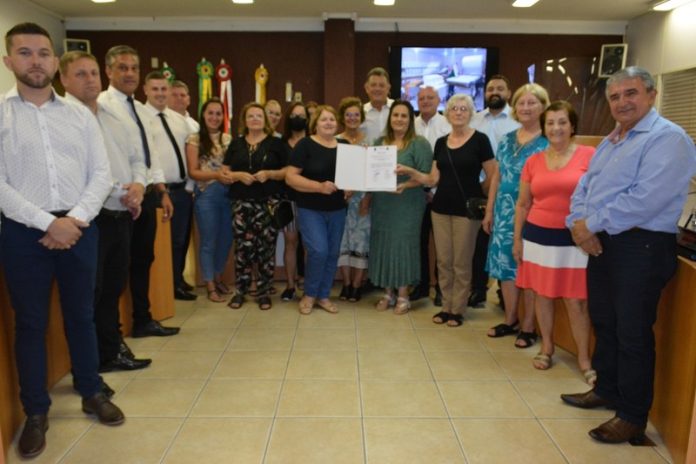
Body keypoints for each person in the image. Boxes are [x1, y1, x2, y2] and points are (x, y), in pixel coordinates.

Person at [0, 23, 124, 459]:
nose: (35, 61)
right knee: (31, 324)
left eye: (43, 53)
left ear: (55, 61)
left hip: (79, 228)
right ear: (8, 61)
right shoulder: (1, 115)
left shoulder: (78, 115)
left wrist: (73, 220)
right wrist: (45, 223)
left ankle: (91, 391)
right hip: (22, 233)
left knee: (81, 315)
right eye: (25, 52)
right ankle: (36, 411)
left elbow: (101, 174)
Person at [561, 67, 696, 444]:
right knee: (605, 321)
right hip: (603, 242)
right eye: (615, 97)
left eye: (631, 93)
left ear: (651, 95)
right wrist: (577, 224)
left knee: (632, 332)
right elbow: (585, 186)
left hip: (642, 246)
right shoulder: (612, 140)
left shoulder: (669, 139)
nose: (622, 102)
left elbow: (645, 199)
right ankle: (607, 389)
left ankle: (633, 416)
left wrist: (589, 225)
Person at [59, 50, 152, 378]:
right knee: (91, 292)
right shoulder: (63, 118)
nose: (90, 80)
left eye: (93, 73)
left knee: (113, 286)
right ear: (64, 79)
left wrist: (138, 186)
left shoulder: (114, 115)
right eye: (80, 74)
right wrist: (120, 191)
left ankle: (110, 351)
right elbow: (82, 172)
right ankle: (90, 363)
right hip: (89, 217)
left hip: (121, 213)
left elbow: (137, 158)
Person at [98, 45, 179, 339]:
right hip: (117, 199)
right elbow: (106, 157)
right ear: (108, 71)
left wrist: (161, 191)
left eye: (134, 68)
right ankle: (112, 336)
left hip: (146, 194)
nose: (129, 73)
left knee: (144, 259)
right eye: (122, 67)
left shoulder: (142, 111)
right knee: (116, 269)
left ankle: (143, 319)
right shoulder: (103, 106)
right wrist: (125, 189)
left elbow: (149, 155)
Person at [512, 101, 595, 380]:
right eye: (550, 123)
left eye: (562, 122)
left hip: (574, 240)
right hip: (537, 237)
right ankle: (546, 347)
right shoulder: (533, 161)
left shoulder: (589, 155)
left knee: (576, 301)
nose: (556, 128)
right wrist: (517, 240)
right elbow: (523, 204)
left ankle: (584, 359)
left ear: (572, 126)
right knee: (542, 295)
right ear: (544, 127)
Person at [399, 94, 495, 326]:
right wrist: (410, 173)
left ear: (470, 114)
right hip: (440, 208)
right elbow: (433, 178)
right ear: (448, 113)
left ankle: (457, 309)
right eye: (454, 108)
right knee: (443, 261)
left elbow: (493, 176)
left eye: (464, 109)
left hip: (466, 212)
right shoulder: (441, 143)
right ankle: (445, 306)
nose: (459, 112)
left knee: (461, 262)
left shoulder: (480, 140)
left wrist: (480, 197)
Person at [483, 83, 549, 348]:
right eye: (521, 102)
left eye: (532, 103)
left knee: (527, 269)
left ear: (543, 106)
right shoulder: (507, 139)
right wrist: (489, 210)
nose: (526, 107)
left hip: (532, 213)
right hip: (503, 213)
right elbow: (497, 177)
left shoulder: (548, 141)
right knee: (505, 268)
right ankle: (510, 319)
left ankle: (529, 326)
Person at [371, 100, 433, 314]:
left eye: (404, 116)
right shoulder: (379, 142)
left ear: (410, 119)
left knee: (403, 246)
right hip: (383, 203)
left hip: (408, 203)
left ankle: (404, 295)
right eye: (395, 115)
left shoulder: (419, 143)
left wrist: (406, 183)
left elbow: (427, 176)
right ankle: (388, 293)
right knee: (384, 244)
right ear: (390, 118)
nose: (399, 119)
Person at [224, 102, 288, 310]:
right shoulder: (236, 144)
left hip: (268, 203)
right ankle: (240, 292)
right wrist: (236, 175)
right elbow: (224, 172)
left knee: (266, 249)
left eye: (259, 116)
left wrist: (270, 174)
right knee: (242, 249)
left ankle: (263, 292)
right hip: (241, 204)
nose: (255, 119)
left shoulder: (276, 143)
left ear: (265, 119)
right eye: (250, 116)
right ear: (244, 120)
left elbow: (288, 171)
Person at [286, 105, 348, 315]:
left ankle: (323, 296)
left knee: (332, 253)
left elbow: (353, 177)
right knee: (319, 251)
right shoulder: (305, 145)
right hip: (310, 209)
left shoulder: (345, 146)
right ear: (315, 124)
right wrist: (319, 187)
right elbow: (291, 177)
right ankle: (310, 294)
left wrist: (352, 188)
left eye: (332, 119)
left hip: (338, 209)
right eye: (324, 119)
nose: (329, 123)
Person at [142, 71, 197, 301]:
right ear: (145, 90)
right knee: (159, 244)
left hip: (181, 190)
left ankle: (177, 281)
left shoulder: (179, 120)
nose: (160, 93)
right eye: (155, 89)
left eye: (164, 89)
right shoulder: (141, 117)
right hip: (157, 191)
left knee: (180, 240)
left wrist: (190, 187)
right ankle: (163, 288)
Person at [469, 75, 520, 307]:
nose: (494, 92)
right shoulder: (475, 120)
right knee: (480, 243)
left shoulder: (517, 121)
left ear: (508, 93)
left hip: (509, 192)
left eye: (500, 88)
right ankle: (478, 289)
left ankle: (503, 292)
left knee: (505, 243)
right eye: (490, 89)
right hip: (478, 190)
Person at [185, 98, 235, 302]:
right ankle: (210, 285)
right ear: (203, 115)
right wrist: (216, 175)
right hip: (206, 195)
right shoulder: (194, 139)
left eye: (218, 113)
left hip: (228, 194)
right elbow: (193, 171)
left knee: (226, 239)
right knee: (209, 241)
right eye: (210, 113)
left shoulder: (228, 139)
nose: (214, 117)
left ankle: (218, 276)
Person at [410, 86, 451, 304]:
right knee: (419, 241)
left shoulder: (447, 125)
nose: (425, 101)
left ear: (439, 100)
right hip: (415, 194)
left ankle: (442, 288)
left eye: (430, 98)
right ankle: (422, 285)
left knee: (443, 245)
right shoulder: (412, 125)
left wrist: (433, 190)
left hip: (441, 194)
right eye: (421, 98)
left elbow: (448, 162)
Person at [336, 97, 370, 302]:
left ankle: (357, 286)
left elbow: (373, 174)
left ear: (361, 117)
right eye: (348, 115)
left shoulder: (370, 142)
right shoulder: (335, 140)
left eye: (356, 114)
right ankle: (346, 284)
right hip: (340, 200)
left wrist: (368, 198)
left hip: (362, 200)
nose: (352, 118)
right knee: (343, 242)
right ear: (342, 117)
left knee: (361, 243)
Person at [280, 101, 309, 301]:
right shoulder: (280, 144)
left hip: (309, 200)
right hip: (288, 199)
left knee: (309, 245)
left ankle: (308, 284)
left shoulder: (313, 142)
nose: (297, 119)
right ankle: (290, 285)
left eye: (301, 115)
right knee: (290, 243)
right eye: (294, 115)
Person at [362, 67, 394, 144]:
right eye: (373, 85)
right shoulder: (360, 113)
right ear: (366, 88)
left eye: (381, 85)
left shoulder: (399, 108)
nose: (377, 89)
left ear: (388, 88)